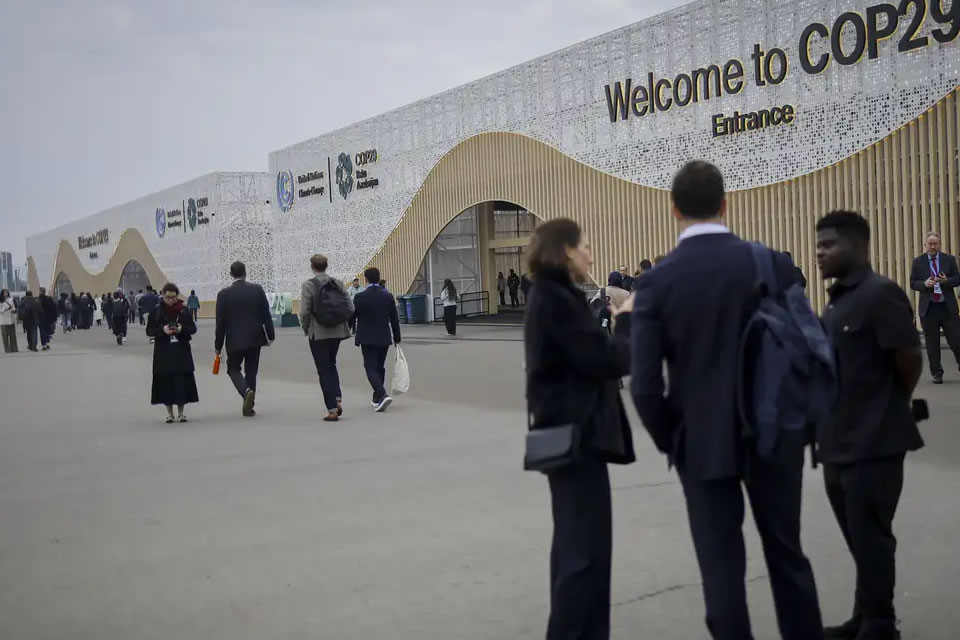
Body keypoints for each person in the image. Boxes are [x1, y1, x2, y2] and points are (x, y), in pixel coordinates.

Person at [630, 160, 822, 639]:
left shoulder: (656, 282)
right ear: (725, 203)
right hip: (776, 432)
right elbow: (804, 342)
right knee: (788, 557)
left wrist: (673, 438)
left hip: (702, 442)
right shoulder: (772, 263)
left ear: (673, 209)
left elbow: (645, 385)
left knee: (721, 571)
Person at [524, 218, 635, 640]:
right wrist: (624, 321)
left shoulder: (552, 297)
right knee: (582, 557)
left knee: (578, 550)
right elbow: (608, 360)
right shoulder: (557, 300)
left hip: (572, 440)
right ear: (567, 251)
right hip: (578, 442)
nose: (590, 253)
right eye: (585, 245)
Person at [816, 212, 924, 640]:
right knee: (859, 538)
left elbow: (908, 359)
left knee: (873, 537)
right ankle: (863, 616)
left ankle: (880, 625)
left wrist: (884, 406)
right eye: (818, 244)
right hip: (837, 442)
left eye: (829, 244)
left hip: (874, 441)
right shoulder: (837, 299)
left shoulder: (881, 295)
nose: (820, 251)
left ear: (858, 246)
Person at [215, 261, 275, 417]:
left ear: (230, 274)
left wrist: (218, 344)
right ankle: (250, 404)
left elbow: (220, 322)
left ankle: (245, 392)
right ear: (245, 272)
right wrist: (270, 334)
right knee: (251, 371)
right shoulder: (257, 290)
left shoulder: (223, 294)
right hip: (255, 338)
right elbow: (266, 314)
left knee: (233, 369)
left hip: (234, 340)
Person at [299, 254, 353, 422]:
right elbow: (350, 307)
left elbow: (304, 312)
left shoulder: (308, 285)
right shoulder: (337, 283)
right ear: (326, 266)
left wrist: (306, 328)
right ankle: (337, 398)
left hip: (318, 333)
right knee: (331, 364)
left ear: (312, 267)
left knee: (324, 369)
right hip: (337, 332)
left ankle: (332, 410)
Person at [909, 232, 960, 384]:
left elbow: (957, 279)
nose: (932, 246)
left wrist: (946, 280)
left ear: (939, 244)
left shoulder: (949, 260)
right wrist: (924, 284)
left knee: (956, 339)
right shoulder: (918, 262)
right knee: (932, 343)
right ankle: (937, 373)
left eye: (935, 243)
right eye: (929, 244)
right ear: (925, 245)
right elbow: (913, 283)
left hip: (947, 307)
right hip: (929, 308)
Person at [350, 267, 401, 412]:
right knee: (380, 367)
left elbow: (352, 316)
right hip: (384, 336)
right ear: (379, 278)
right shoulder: (388, 296)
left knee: (370, 367)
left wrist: (346, 329)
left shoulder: (360, 297)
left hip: (366, 337)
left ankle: (382, 394)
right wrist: (397, 337)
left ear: (365, 280)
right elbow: (394, 319)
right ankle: (376, 398)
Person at [146, 283, 199, 423]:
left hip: (181, 350)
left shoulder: (184, 310)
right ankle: (169, 413)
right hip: (163, 351)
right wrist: (162, 331)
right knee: (165, 382)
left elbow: (193, 329)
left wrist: (182, 329)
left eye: (174, 297)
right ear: (163, 295)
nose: (171, 300)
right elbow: (149, 330)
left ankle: (181, 413)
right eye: (168, 297)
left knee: (181, 381)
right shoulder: (156, 311)